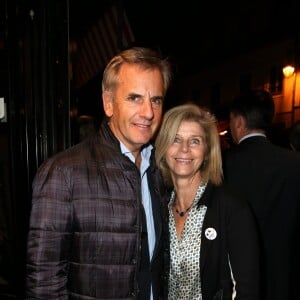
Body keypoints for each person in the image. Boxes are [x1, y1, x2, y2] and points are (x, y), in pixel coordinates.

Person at [25, 47, 172, 299]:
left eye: (156, 100)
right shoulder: (63, 173)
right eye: (134, 98)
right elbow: (44, 283)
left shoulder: (160, 170)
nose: (148, 112)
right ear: (108, 103)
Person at [155, 103, 260, 300]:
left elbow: (248, 291)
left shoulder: (232, 208)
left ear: (206, 151)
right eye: (175, 140)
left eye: (194, 141)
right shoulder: (159, 207)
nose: (184, 149)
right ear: (163, 147)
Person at [222, 89, 300, 300]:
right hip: (285, 278)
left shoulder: (222, 164)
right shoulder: (294, 163)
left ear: (238, 122)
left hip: (238, 281)